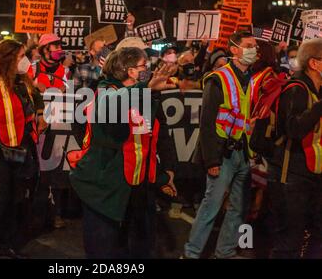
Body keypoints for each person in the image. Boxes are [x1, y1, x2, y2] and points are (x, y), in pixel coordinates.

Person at [70, 47, 177, 259]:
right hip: (105, 186)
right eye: (143, 67)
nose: (148, 70)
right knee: (104, 252)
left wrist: (167, 171)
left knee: (139, 249)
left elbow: (159, 135)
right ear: (129, 71)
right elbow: (111, 103)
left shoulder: (147, 95)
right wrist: (145, 87)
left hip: (137, 187)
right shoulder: (104, 91)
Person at [184, 31, 257, 259]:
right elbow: (206, 123)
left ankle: (225, 252)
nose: (253, 49)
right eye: (249, 45)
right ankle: (191, 254)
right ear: (234, 49)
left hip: (243, 153)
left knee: (238, 207)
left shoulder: (251, 79)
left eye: (254, 45)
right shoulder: (219, 78)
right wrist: (212, 160)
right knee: (211, 207)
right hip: (222, 155)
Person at [0, 39, 44, 258]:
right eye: (22, 56)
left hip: (23, 148)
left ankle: (6, 245)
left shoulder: (24, 81)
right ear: (9, 58)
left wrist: (40, 113)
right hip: (2, 150)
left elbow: (38, 98)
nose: (25, 61)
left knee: (15, 199)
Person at [268, 38, 322, 259]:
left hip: (310, 174)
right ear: (314, 63)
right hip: (290, 176)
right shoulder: (296, 88)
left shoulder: (316, 89)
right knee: (289, 240)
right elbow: (293, 128)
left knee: (314, 234)